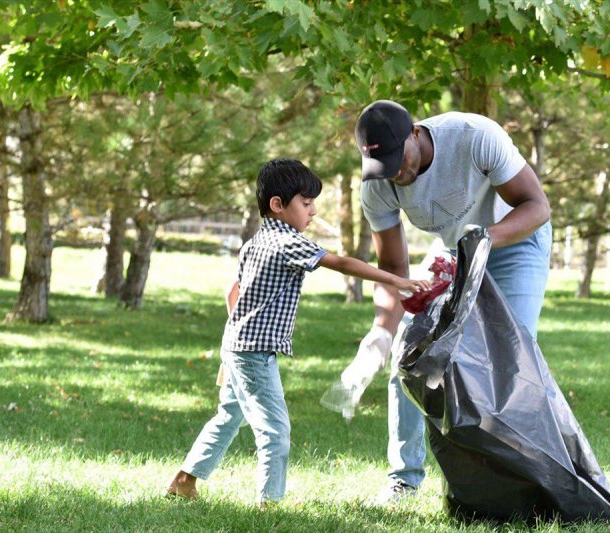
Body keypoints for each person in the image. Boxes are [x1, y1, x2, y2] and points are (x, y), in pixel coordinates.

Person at [165, 158, 431, 505]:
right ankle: (270, 504)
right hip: (253, 353)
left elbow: (233, 293)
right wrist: (397, 280)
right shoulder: (287, 242)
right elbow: (341, 263)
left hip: (234, 345)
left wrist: (237, 338)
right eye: (306, 203)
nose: (313, 211)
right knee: (275, 430)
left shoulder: (254, 242)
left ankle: (184, 480)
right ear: (278, 205)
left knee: (229, 416)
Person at [353, 100, 553, 503]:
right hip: (454, 251)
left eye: (397, 160)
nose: (394, 173)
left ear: (415, 133)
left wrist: (481, 240)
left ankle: (524, 480)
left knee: (512, 359)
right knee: (409, 356)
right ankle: (404, 478)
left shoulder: (474, 136)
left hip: (515, 243)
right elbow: (393, 268)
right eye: (383, 166)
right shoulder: (378, 183)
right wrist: (380, 332)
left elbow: (536, 206)